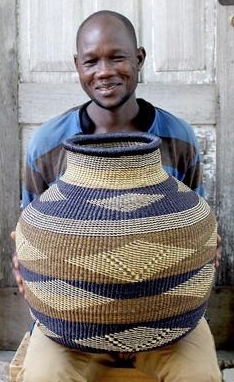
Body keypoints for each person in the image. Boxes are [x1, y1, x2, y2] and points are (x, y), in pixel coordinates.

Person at [13, 10, 221, 382]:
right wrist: (25, 261)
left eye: (118, 57)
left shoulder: (179, 137)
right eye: (91, 61)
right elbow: (27, 230)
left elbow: (200, 222)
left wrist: (207, 248)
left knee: (199, 376)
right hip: (69, 325)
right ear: (77, 66)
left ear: (139, 59)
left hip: (168, 321)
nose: (104, 71)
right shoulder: (47, 143)